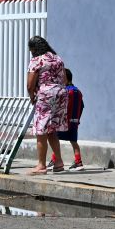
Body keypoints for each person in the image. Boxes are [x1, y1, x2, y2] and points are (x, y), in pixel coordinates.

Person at [26, 36, 68, 175]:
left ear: (34, 49)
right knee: (51, 130)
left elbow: (30, 84)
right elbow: (65, 79)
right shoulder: (57, 58)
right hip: (61, 94)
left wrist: (32, 97)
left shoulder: (36, 60)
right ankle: (59, 162)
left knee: (41, 130)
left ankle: (41, 165)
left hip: (45, 95)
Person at [49, 68, 84, 171]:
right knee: (74, 141)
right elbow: (81, 106)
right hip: (74, 121)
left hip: (63, 121)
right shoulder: (78, 91)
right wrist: (77, 119)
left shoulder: (65, 91)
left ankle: (55, 160)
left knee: (55, 139)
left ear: (66, 79)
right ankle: (78, 162)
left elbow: (59, 106)